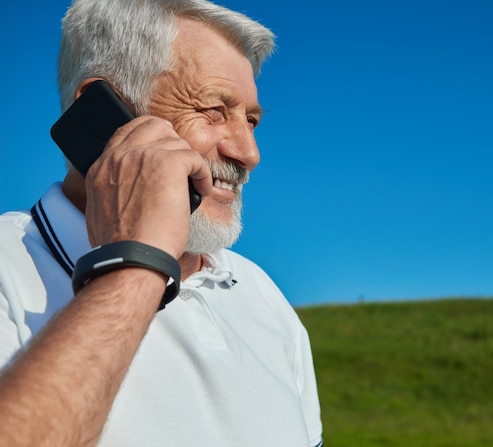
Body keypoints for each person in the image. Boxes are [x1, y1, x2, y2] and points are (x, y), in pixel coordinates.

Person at [0, 0, 323, 446]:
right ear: (103, 114)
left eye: (250, 120)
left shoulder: (263, 296)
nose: (249, 154)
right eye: (214, 110)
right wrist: (134, 264)